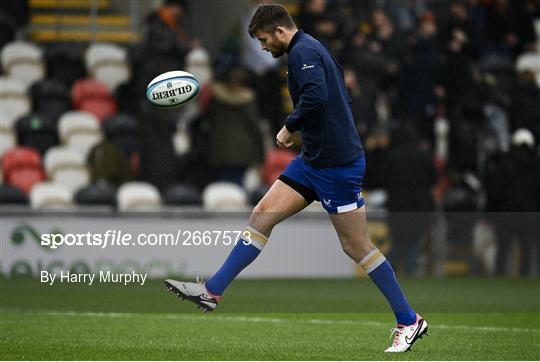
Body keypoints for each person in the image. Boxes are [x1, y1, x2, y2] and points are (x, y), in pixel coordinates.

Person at [164, 4, 427, 353]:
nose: (262, 47)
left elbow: (318, 97)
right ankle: (212, 291)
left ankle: (409, 320)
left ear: (279, 31)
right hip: (314, 161)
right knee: (262, 215)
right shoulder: (310, 48)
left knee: (356, 246)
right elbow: (339, 96)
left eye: (262, 40)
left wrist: (290, 126)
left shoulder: (303, 51)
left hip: (337, 167)